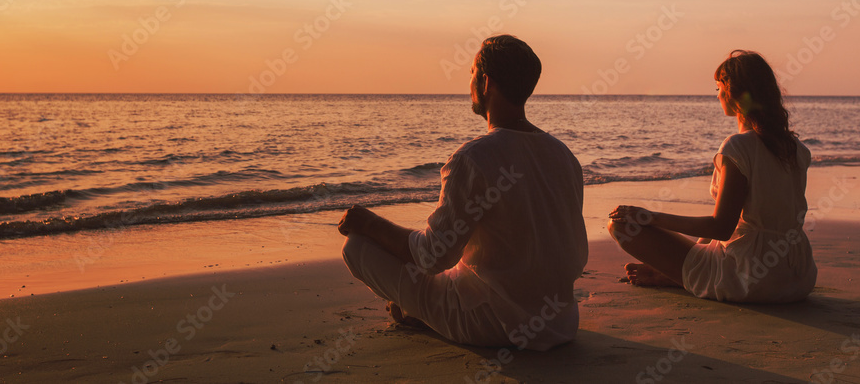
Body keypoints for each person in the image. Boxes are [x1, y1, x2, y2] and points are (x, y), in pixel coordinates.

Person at [338, 35, 588, 350]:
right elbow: (575, 257)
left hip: (492, 325)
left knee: (356, 247)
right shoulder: (565, 156)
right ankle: (419, 310)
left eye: (471, 72)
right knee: (466, 256)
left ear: (485, 82)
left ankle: (421, 312)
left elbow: (433, 256)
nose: (468, 80)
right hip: (559, 322)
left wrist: (370, 224)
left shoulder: (474, 157)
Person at [608, 49, 817, 302]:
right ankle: (681, 273)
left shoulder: (738, 147)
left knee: (621, 225)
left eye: (718, 87)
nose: (717, 95)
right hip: (797, 276)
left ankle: (681, 276)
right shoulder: (797, 149)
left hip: (750, 278)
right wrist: (694, 254)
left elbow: (721, 227)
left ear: (733, 92)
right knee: (702, 253)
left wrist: (650, 216)